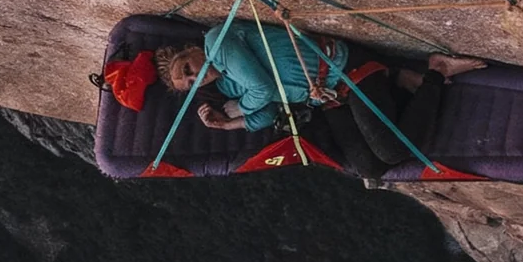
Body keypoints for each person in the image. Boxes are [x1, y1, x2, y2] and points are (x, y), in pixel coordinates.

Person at [154, 20, 484, 178]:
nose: (196, 76)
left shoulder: (217, 41)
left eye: (187, 67)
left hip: (345, 69)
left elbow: (263, 90)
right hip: (329, 95)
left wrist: (240, 108)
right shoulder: (227, 85)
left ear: (191, 50)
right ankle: (396, 80)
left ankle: (435, 72)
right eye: (190, 83)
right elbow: (268, 112)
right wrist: (230, 125)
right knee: (369, 168)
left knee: (393, 149)